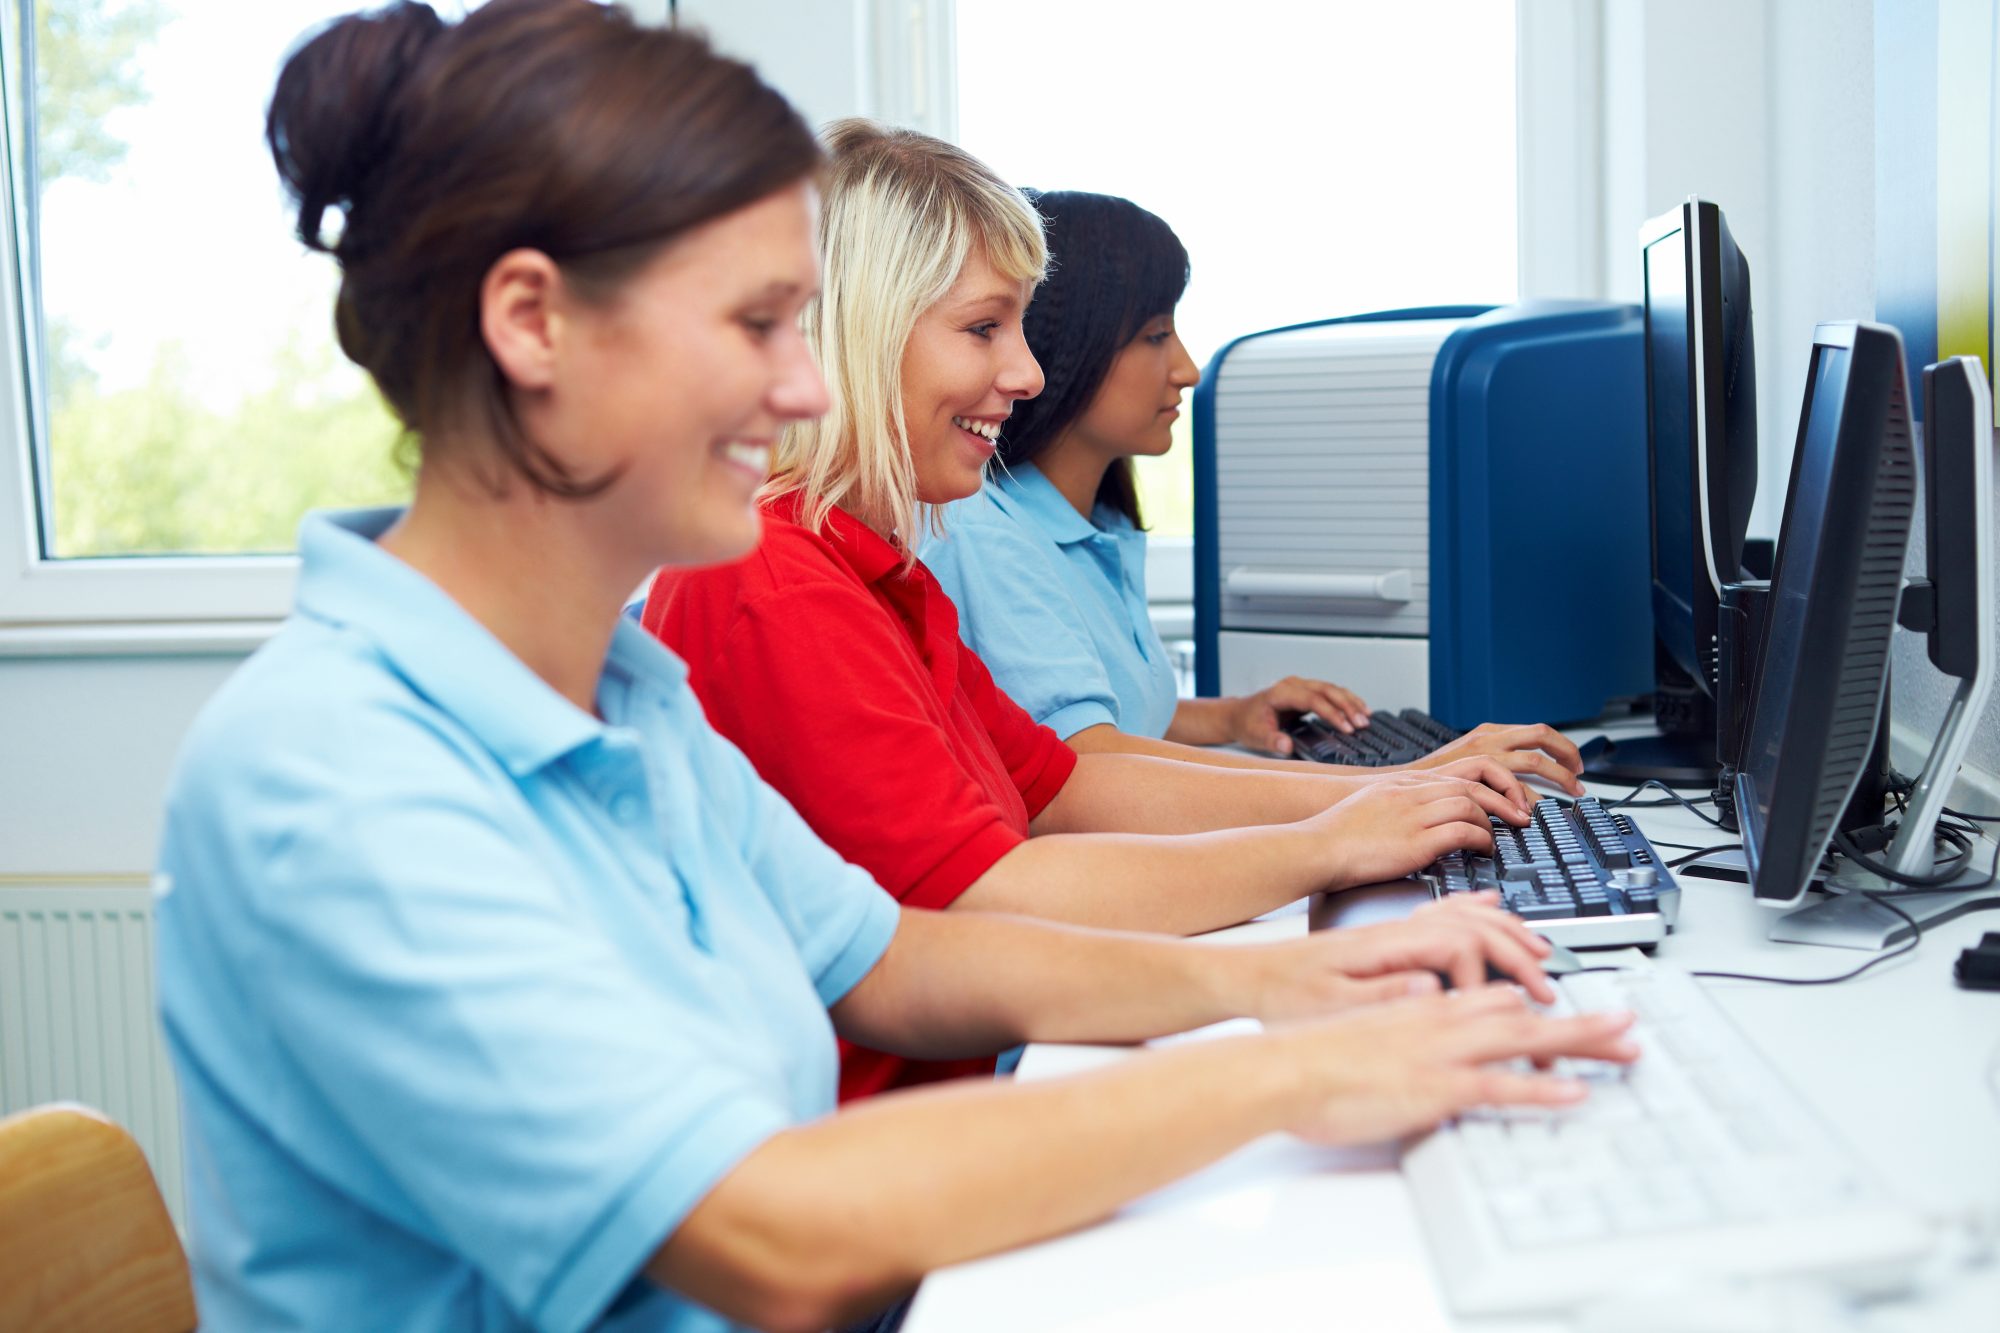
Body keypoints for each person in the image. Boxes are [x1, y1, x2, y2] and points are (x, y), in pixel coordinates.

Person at [153, 6, 1635, 1331]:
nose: (804, 387)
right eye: (755, 326)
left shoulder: (620, 694)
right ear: (531, 322)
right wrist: (1282, 1063)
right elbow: (768, 1229)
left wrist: (1295, 982)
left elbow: (893, 956)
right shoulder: (329, 776)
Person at [642, 123, 1574, 1101]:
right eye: (981, 328)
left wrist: (1378, 803)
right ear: (863, 334)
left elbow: (1062, 790)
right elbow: (993, 893)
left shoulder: (875, 576)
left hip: (949, 1099)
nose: (1026, 374)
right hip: (866, 1150)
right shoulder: (777, 587)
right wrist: (1327, 844)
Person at [921, 189, 1588, 776]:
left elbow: (1100, 712)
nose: (1186, 368)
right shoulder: (986, 536)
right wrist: (1402, 780)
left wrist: (1236, 716)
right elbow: (1089, 760)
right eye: (1156, 335)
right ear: (1070, 349)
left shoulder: (1095, 527)